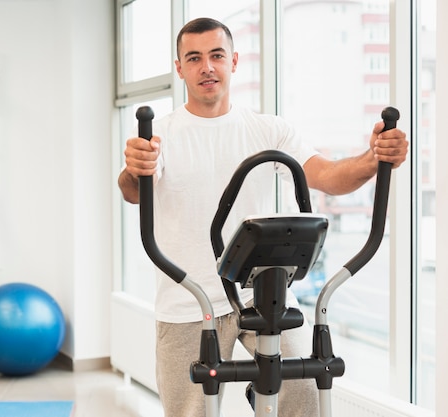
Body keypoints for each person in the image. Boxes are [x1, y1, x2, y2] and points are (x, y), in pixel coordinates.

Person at [117, 17, 408, 417]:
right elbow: (134, 192)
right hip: (187, 299)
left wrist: (373, 158)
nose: (207, 67)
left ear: (233, 62)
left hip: (255, 293)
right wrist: (135, 169)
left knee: (302, 390)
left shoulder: (267, 129)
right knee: (190, 411)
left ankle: (263, 394)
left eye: (217, 55)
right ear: (180, 67)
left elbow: (327, 175)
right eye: (195, 58)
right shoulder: (161, 136)